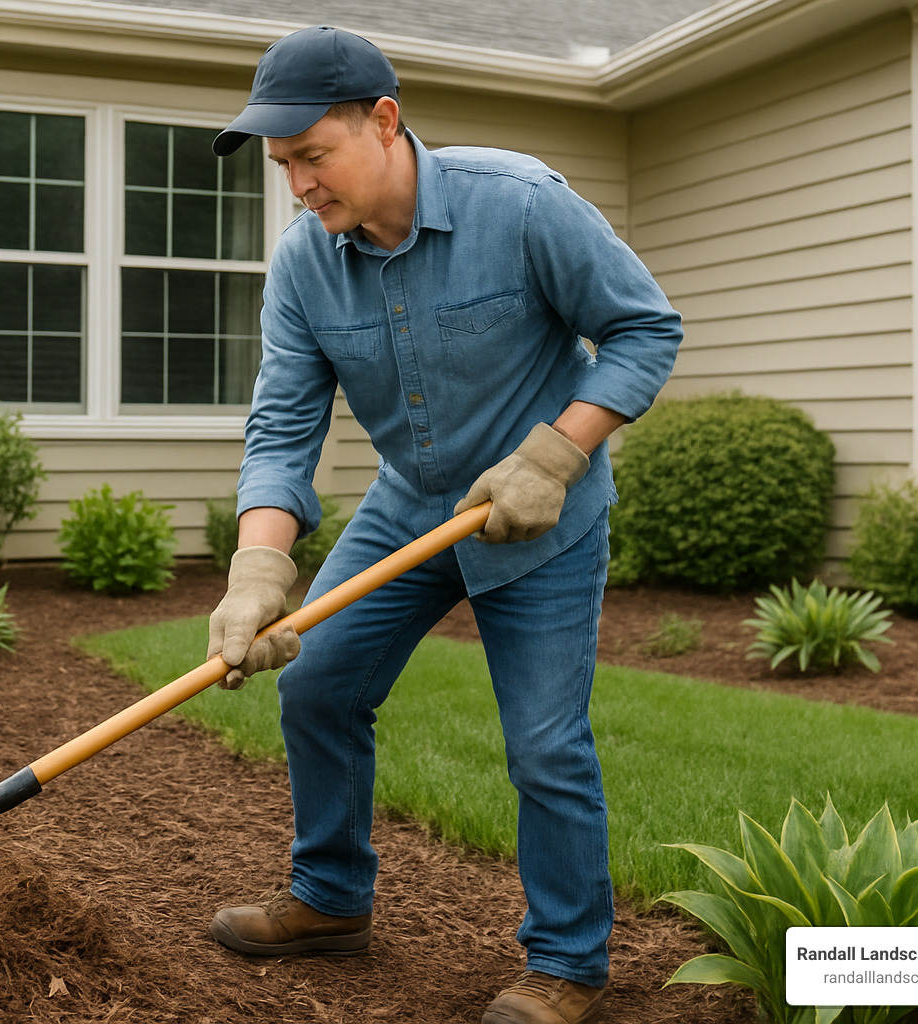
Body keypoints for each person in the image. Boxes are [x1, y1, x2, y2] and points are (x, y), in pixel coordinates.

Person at [203, 25, 682, 1024]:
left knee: (545, 744)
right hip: (412, 505)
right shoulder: (304, 267)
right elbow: (284, 424)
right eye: (283, 165)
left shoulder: (522, 205)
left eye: (312, 157)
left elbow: (644, 326)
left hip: (542, 514)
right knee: (319, 690)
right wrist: (257, 568)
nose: (298, 186)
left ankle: (566, 963)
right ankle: (331, 901)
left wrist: (557, 451)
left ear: (384, 122)